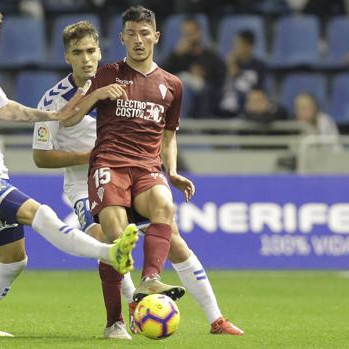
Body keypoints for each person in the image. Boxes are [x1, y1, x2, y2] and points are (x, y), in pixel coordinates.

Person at [0, 1, 138, 338]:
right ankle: (109, 252)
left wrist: (54, 116)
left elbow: (8, 109)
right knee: (40, 213)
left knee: (14, 259)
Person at [68, 5, 243, 335]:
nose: (138, 40)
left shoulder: (172, 85)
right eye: (131, 34)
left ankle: (151, 281)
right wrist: (98, 94)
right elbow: (70, 117)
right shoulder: (107, 74)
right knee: (115, 238)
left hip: (147, 168)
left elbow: (169, 136)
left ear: (156, 37)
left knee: (166, 208)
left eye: (144, 33)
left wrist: (172, 171)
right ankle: (115, 321)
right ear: (122, 38)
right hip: (111, 165)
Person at [32, 21, 137, 340]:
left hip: (127, 176)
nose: (86, 58)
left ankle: (212, 314)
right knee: (107, 237)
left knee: (159, 230)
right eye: (78, 53)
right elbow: (41, 156)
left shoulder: (123, 85)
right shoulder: (52, 101)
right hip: (84, 186)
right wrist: (91, 156)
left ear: (100, 51)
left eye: (91, 51)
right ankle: (119, 318)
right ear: (67, 57)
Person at [162, 18, 226, 117]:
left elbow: (220, 76)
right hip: (181, 91)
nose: (187, 37)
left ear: (198, 33)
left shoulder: (209, 55)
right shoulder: (178, 56)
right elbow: (160, 73)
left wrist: (203, 75)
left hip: (204, 93)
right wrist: (176, 55)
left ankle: (180, 124)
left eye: (190, 33)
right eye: (185, 34)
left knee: (184, 88)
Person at [220, 30, 267, 116]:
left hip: (246, 108)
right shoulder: (228, 65)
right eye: (235, 45)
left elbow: (258, 91)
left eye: (238, 45)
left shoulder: (259, 66)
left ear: (248, 46)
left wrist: (238, 75)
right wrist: (227, 73)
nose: (235, 48)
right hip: (225, 108)